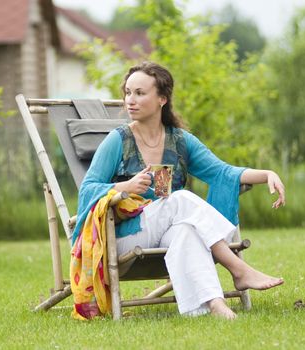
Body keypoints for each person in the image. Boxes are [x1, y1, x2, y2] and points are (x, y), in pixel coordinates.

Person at [72, 61, 285, 320]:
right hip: (124, 233)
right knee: (181, 199)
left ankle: (216, 306)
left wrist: (267, 174)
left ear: (162, 98)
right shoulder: (118, 140)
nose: (130, 100)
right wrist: (124, 186)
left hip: (162, 227)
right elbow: (88, 189)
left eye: (140, 93)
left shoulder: (179, 140)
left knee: (186, 230)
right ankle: (237, 268)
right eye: (128, 92)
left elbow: (221, 172)